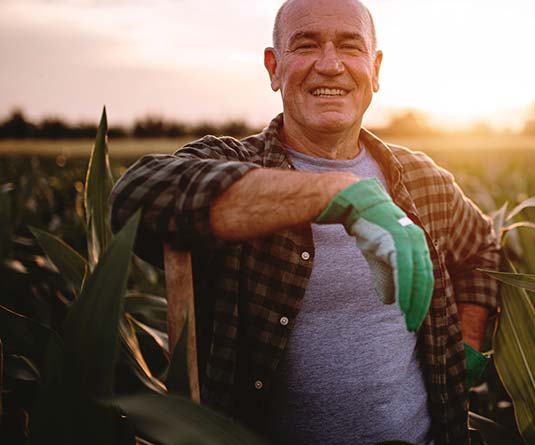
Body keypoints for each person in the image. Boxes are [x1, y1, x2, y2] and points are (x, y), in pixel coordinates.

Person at [110, 0, 500, 443]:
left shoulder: (422, 180)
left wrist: (466, 343)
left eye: (350, 47)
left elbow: (481, 248)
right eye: (306, 45)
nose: (330, 65)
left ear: (375, 69)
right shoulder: (236, 163)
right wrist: (333, 194)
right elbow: (133, 198)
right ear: (273, 68)